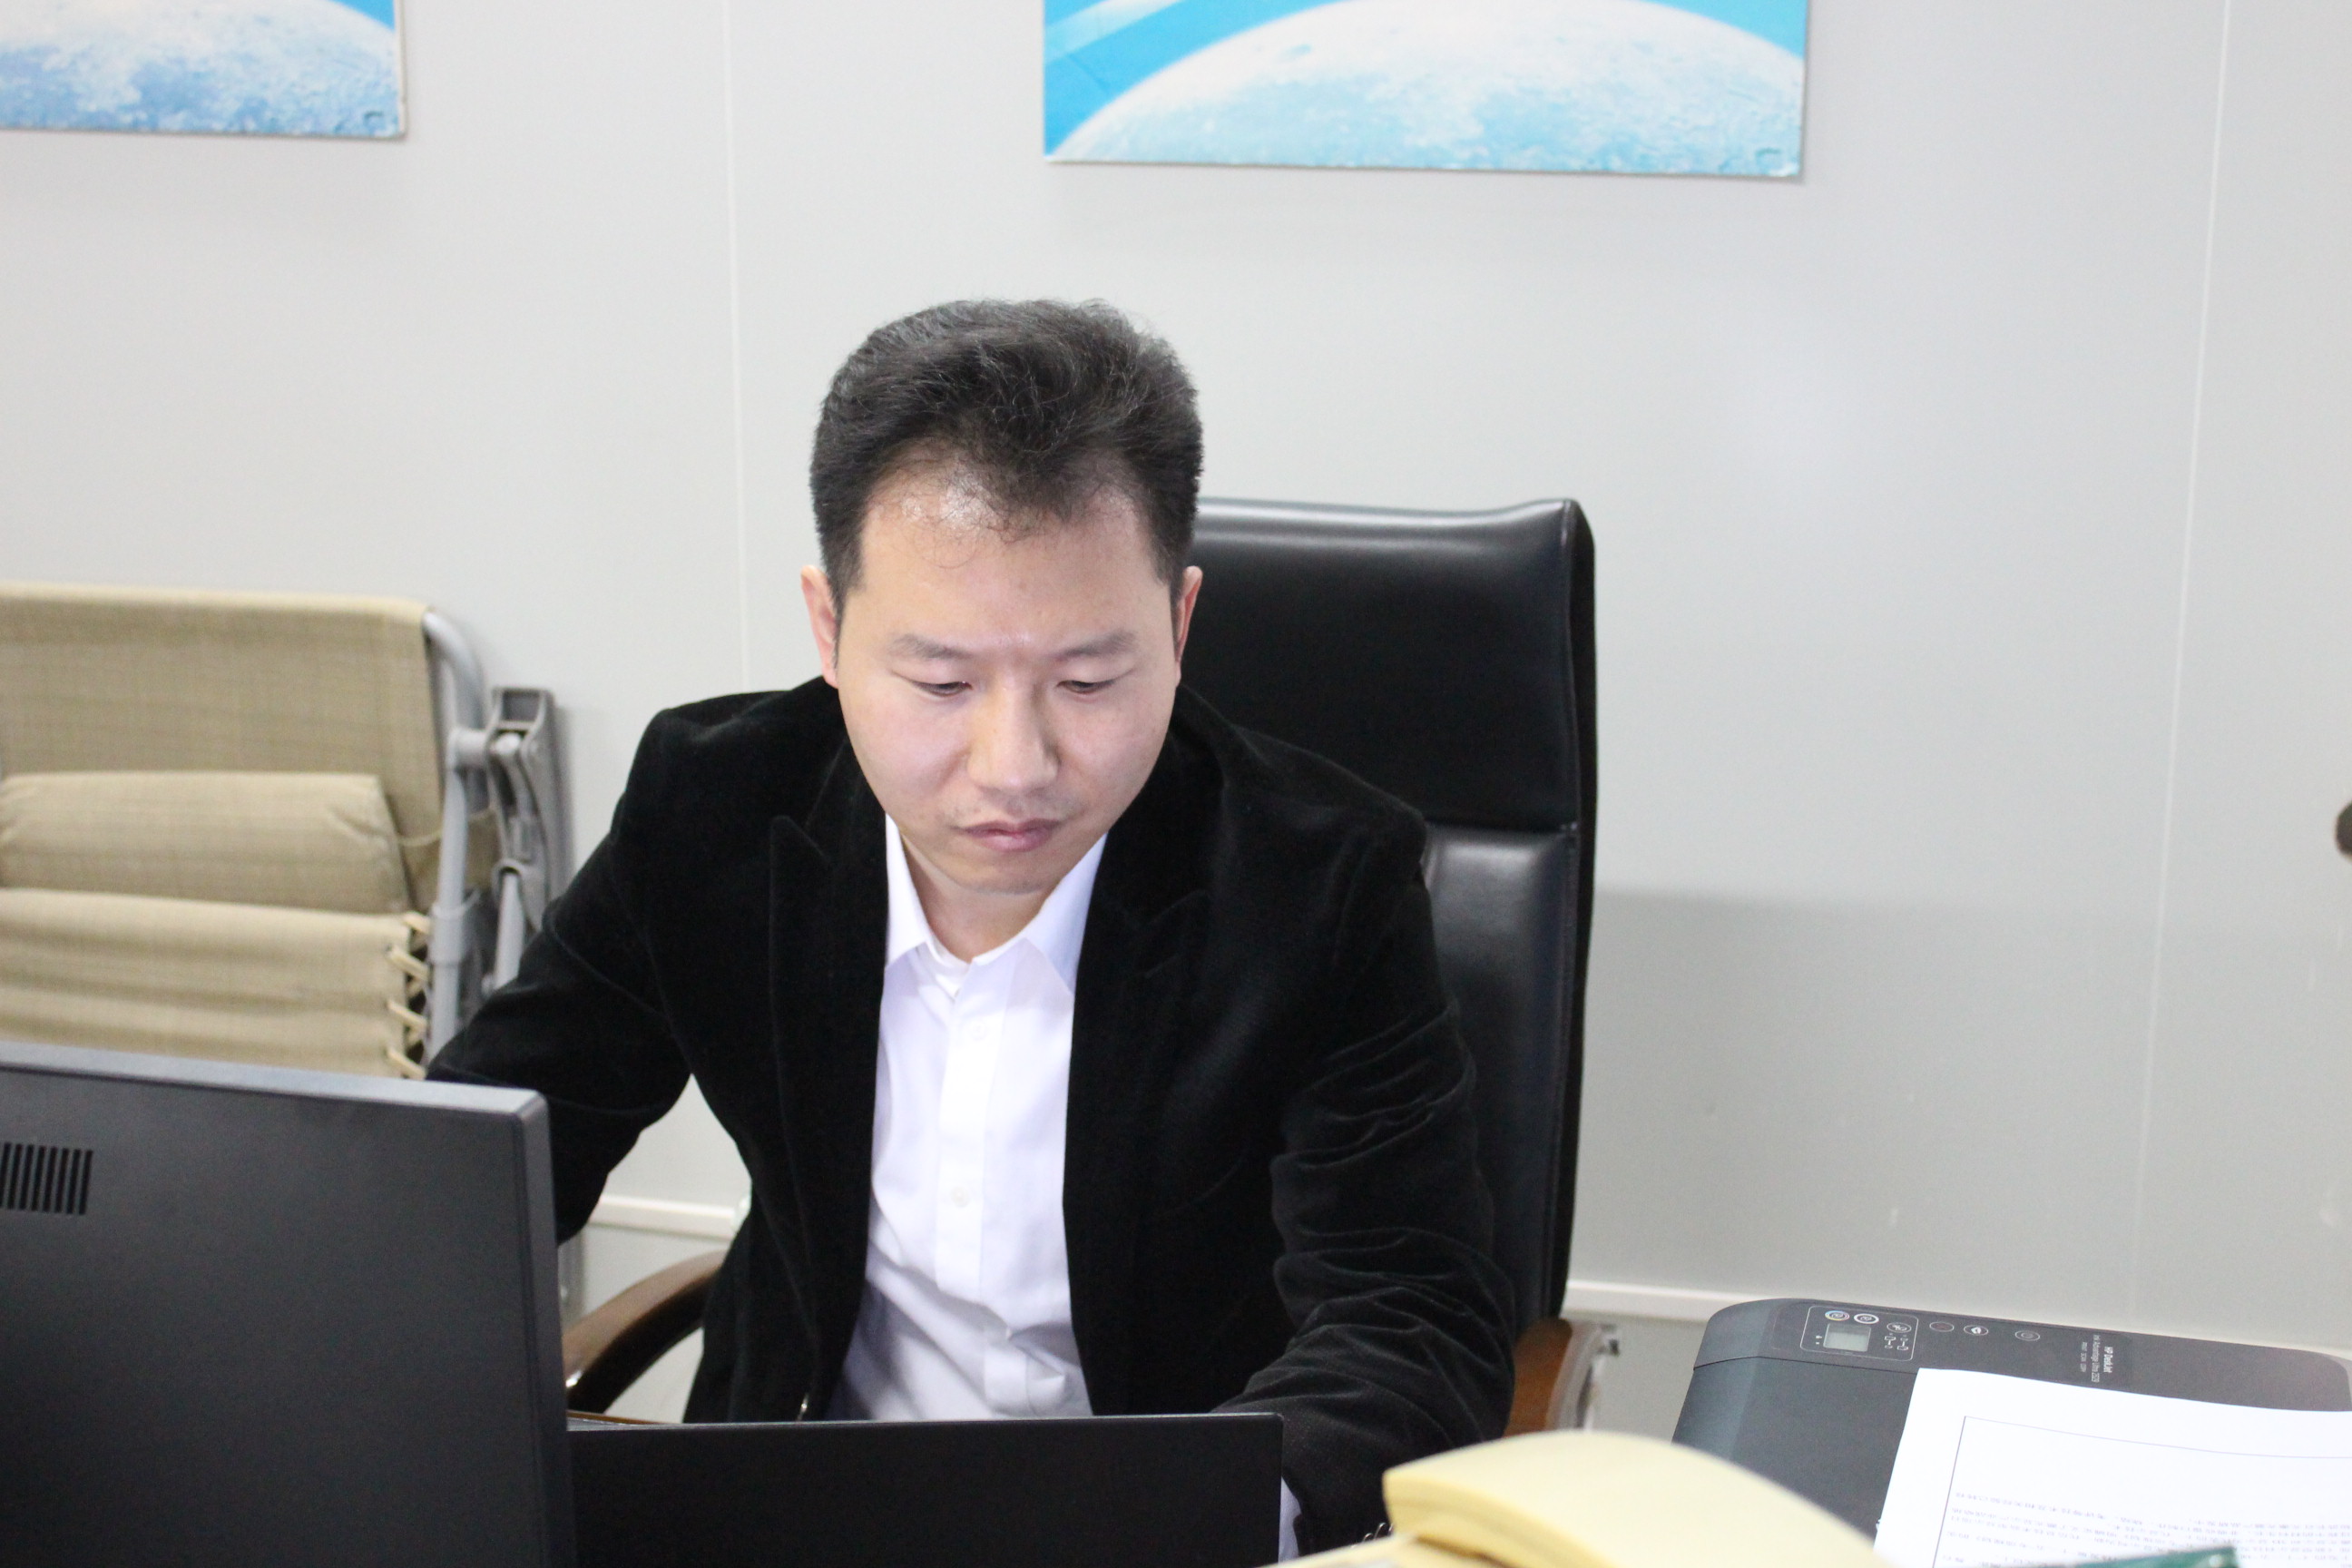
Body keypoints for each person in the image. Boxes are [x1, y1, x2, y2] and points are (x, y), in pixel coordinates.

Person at [430, 299, 1514, 1553]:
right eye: (942, 682)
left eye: (1088, 681)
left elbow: (1406, 1316)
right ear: (830, 630)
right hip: (796, 1512)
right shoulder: (718, 808)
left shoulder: (1321, 886)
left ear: (1178, 627)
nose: (1014, 767)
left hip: (1157, 1536)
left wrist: (1203, 1519)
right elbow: (472, 1173)